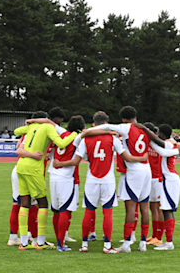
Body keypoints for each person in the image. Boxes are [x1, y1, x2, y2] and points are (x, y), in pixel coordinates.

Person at [54, 111, 148, 253]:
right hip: (107, 180)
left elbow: (77, 159)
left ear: (93, 124)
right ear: (106, 123)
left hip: (92, 179)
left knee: (89, 212)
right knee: (107, 212)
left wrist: (59, 163)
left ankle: (84, 244)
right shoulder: (113, 138)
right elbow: (127, 157)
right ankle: (106, 245)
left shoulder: (86, 139)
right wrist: (142, 159)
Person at [81, 106, 151, 253]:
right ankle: (142, 242)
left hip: (131, 171)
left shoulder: (124, 128)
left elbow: (104, 127)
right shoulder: (144, 129)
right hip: (146, 169)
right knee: (144, 207)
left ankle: (126, 243)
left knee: (130, 207)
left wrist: (92, 131)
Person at [13, 111, 78, 250]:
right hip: (34, 169)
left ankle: (24, 243)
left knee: (25, 203)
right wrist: (73, 134)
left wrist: (30, 123)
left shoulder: (31, 127)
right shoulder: (49, 128)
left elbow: (16, 131)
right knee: (43, 203)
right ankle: (40, 243)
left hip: (21, 166)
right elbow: (61, 143)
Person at [135, 123, 180, 251]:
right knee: (166, 210)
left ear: (161, 134)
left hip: (169, 180)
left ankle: (169, 242)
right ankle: (168, 241)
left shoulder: (169, 144)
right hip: (168, 179)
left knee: (167, 210)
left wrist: (146, 135)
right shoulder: (170, 144)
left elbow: (161, 151)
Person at [46, 115, 86, 252]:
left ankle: (59, 239)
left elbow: (49, 122)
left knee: (56, 210)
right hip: (66, 177)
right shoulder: (77, 138)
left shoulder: (61, 133)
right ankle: (61, 244)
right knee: (64, 210)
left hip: (53, 176)